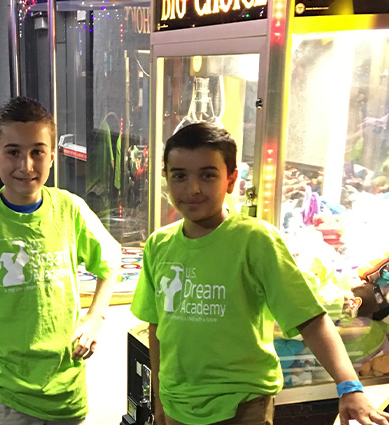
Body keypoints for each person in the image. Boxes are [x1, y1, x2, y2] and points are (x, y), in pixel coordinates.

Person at [131, 122, 389, 425]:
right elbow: (158, 329)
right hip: (178, 405)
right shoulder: (158, 245)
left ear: (231, 180)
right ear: (166, 178)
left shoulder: (256, 241)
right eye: (180, 176)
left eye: (208, 174)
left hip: (244, 406)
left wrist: (350, 386)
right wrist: (160, 402)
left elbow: (311, 319)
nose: (193, 188)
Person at [0, 96, 121, 424]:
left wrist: (95, 318)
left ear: (52, 156)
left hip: (66, 389)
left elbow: (110, 261)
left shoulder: (69, 210)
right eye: (13, 152)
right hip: (6, 393)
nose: (26, 166)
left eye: (37, 152)